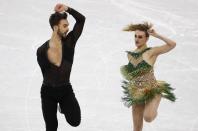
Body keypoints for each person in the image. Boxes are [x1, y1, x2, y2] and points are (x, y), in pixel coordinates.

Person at [36, 3, 85, 131]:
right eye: (65, 26)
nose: (68, 28)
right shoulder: (41, 51)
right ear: (56, 27)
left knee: (75, 121)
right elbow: (47, 73)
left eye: (68, 25)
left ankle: (62, 107)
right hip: (48, 92)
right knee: (51, 127)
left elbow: (81, 20)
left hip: (65, 89)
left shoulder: (70, 42)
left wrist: (67, 9)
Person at [120, 22, 176, 131]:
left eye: (140, 37)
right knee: (136, 128)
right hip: (136, 91)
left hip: (151, 89)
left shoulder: (151, 52)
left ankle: (158, 96)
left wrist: (157, 35)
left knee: (148, 117)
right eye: (135, 36)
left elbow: (172, 44)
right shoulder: (130, 55)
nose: (137, 39)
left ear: (146, 39)